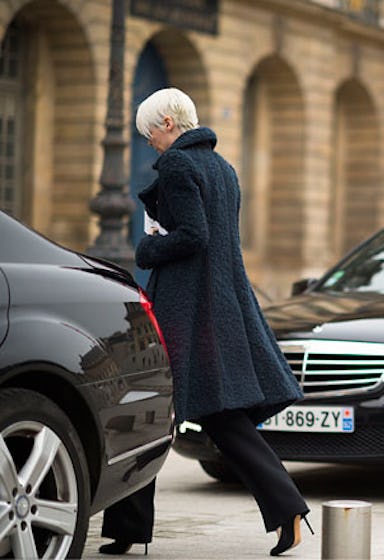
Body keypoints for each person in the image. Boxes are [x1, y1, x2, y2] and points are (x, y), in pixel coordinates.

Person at [99, 87, 311, 557]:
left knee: (146, 407)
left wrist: (148, 246)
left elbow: (193, 236)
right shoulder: (223, 167)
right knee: (214, 416)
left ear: (169, 125)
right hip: (219, 308)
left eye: (149, 133)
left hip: (184, 310)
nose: (148, 143)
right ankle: (287, 509)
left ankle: (130, 527)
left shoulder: (178, 164)